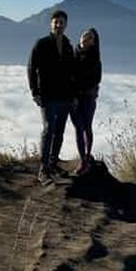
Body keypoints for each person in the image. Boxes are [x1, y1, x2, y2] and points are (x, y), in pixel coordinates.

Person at [27, 9, 76, 184]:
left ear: (66, 25)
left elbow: (71, 72)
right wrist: (35, 92)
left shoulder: (68, 45)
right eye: (56, 22)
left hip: (65, 96)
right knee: (49, 130)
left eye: (62, 22)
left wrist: (73, 96)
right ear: (51, 24)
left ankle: (53, 163)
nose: (59, 25)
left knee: (59, 131)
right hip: (47, 96)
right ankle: (43, 168)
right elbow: (31, 68)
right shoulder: (41, 44)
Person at [70, 28, 101, 176]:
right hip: (74, 98)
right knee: (79, 127)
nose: (86, 38)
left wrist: (88, 90)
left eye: (90, 38)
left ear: (93, 42)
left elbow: (96, 79)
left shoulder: (95, 58)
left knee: (87, 126)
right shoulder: (72, 54)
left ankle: (87, 156)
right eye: (84, 35)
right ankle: (83, 159)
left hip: (88, 97)